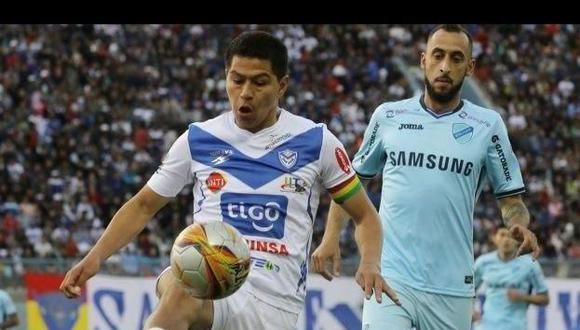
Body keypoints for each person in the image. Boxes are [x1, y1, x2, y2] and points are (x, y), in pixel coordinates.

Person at [59, 30, 398, 330]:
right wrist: (95, 258)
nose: (245, 92)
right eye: (237, 80)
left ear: (282, 85)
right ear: (225, 78)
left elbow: (365, 215)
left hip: (272, 305)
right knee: (182, 284)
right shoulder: (198, 139)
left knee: (185, 288)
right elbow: (143, 205)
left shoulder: (316, 142)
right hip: (210, 280)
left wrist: (369, 262)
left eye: (259, 82)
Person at [311, 24, 540, 330]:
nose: (445, 66)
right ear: (423, 60)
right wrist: (330, 238)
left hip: (452, 285)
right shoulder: (389, 116)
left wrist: (518, 225)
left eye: (457, 58)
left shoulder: (489, 125)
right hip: (390, 276)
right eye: (438, 55)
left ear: (470, 67)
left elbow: (511, 201)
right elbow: (350, 183)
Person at [472, 227, 549, 330]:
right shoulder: (483, 262)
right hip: (487, 326)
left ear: (518, 241)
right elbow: (468, 287)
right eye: (502, 235)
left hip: (516, 326)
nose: (506, 239)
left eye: (511, 236)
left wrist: (523, 297)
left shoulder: (530, 264)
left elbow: (545, 299)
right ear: (494, 238)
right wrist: (469, 311)